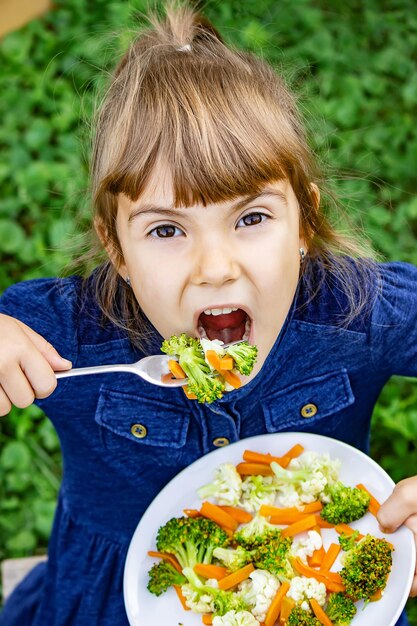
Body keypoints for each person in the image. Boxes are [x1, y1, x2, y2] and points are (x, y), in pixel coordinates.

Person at [0, 2, 415, 624]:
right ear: (116, 249)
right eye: (167, 230)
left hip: (314, 582)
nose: (215, 267)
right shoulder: (65, 332)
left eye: (250, 218)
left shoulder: (355, 314)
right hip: (111, 593)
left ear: (304, 222)